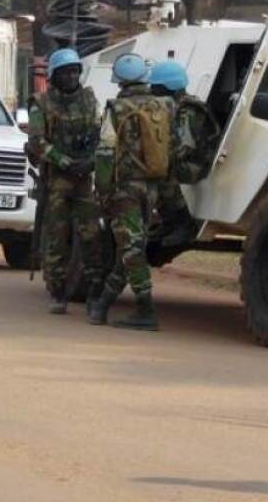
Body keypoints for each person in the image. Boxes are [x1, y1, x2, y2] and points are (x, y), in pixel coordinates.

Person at [88, 54, 174, 330]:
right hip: (151, 187)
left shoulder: (117, 109)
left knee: (130, 249)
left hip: (124, 189)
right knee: (131, 246)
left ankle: (146, 310)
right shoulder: (164, 106)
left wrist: (101, 191)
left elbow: (104, 153)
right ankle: (103, 304)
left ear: (121, 81)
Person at [25, 48, 103, 314]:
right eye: (65, 72)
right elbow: (37, 142)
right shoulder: (41, 103)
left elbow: (99, 133)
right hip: (57, 179)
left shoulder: (89, 99)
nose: (71, 77)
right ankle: (57, 292)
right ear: (54, 76)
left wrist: (90, 161)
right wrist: (64, 161)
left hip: (84, 180)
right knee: (57, 237)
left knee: (91, 236)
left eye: (74, 72)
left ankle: (94, 292)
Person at [148, 59, 222, 249]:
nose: (151, 91)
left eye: (155, 87)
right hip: (187, 160)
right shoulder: (174, 106)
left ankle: (184, 223)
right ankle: (169, 222)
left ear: (168, 87)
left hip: (197, 164)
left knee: (161, 173)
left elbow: (184, 148)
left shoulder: (187, 111)